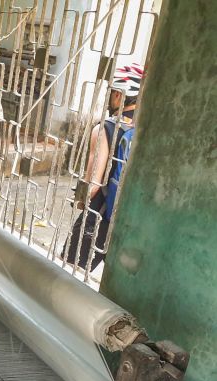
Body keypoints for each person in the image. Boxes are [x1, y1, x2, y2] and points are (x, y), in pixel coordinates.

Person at [64, 63, 144, 271]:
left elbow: (93, 185)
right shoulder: (146, 129)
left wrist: (79, 200)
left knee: (68, 275)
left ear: (118, 94)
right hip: (132, 220)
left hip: (100, 216)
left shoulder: (106, 128)